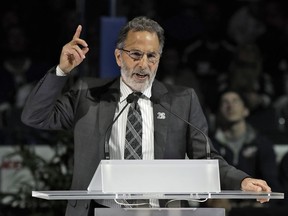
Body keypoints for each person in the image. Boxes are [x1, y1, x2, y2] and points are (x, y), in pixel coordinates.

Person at [21, 16, 271, 216]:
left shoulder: (181, 101)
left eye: (152, 56)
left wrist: (242, 181)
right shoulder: (88, 96)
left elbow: (207, 158)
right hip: (100, 211)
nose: (144, 64)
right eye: (136, 54)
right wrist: (62, 71)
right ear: (119, 56)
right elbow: (35, 117)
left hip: (161, 213)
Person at [210, 90, 281, 209]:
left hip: (255, 210)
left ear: (246, 110)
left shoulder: (262, 144)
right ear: (218, 111)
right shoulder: (209, 144)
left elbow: (272, 184)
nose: (230, 106)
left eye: (235, 101)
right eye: (225, 102)